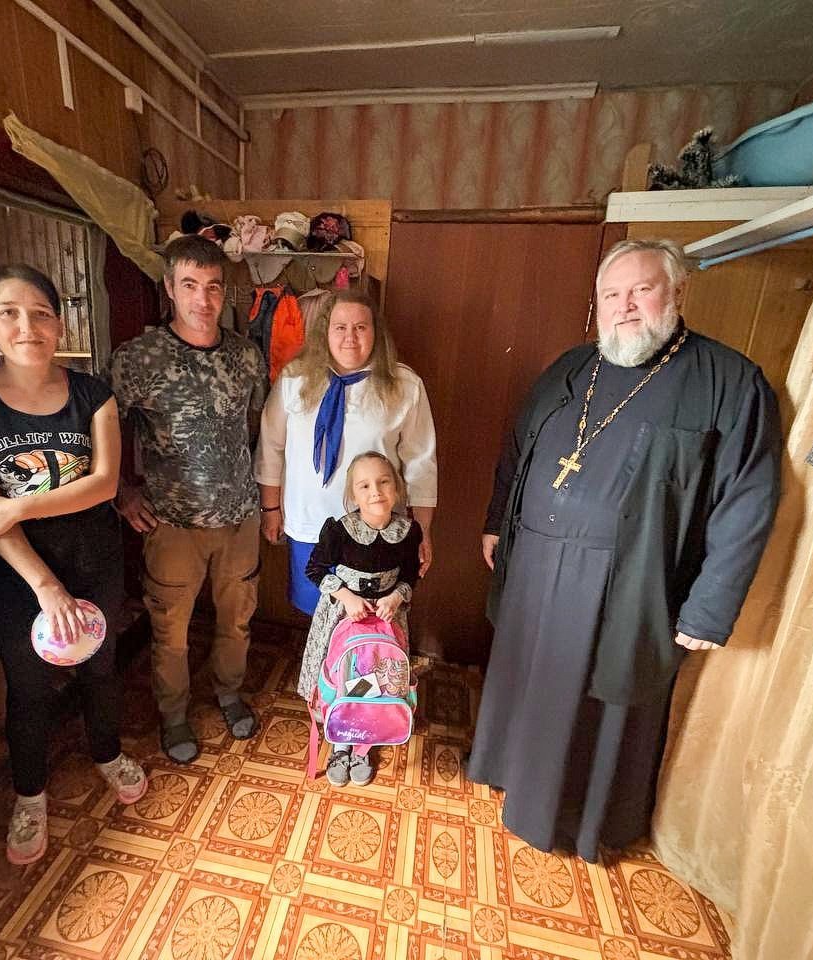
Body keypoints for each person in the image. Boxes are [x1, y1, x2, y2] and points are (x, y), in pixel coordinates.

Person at [469, 238, 781, 863]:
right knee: (530, 682)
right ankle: (513, 778)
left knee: (601, 703)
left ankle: (580, 821)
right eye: (611, 295)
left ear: (677, 292)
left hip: (630, 584)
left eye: (641, 290)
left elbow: (748, 499)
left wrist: (709, 607)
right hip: (535, 565)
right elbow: (518, 451)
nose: (625, 306)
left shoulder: (728, 381)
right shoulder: (569, 369)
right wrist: (498, 522)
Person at [0, 264, 147, 866]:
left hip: (94, 557)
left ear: (59, 325)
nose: (26, 326)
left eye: (41, 314)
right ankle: (30, 796)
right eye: (9, 312)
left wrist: (20, 505)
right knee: (28, 687)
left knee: (100, 669)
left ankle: (107, 752)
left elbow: (103, 483)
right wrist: (45, 585)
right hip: (16, 573)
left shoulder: (92, 394)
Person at [107, 235, 267, 765]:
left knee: (237, 619)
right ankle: (173, 714)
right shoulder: (137, 359)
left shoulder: (247, 356)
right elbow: (99, 429)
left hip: (239, 516)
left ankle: (228, 692)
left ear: (225, 292)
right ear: (170, 288)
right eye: (190, 285)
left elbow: (257, 430)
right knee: (169, 630)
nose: (203, 299)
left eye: (213, 286)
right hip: (171, 521)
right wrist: (121, 491)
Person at [255, 289, 437, 616]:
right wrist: (270, 508)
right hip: (310, 522)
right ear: (324, 332)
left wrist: (422, 531)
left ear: (376, 333)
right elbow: (271, 444)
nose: (350, 337)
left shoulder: (404, 385)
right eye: (340, 327)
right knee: (317, 614)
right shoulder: (295, 378)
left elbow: (421, 463)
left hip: (376, 531)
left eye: (360, 327)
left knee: (368, 619)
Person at [302, 451, 423, 787]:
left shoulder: (409, 531)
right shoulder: (340, 530)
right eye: (365, 486)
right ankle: (340, 740)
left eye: (384, 482)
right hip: (344, 617)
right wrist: (346, 596)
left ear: (397, 488)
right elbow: (314, 569)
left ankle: (365, 740)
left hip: (387, 620)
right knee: (345, 674)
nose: (376, 492)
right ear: (353, 494)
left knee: (376, 677)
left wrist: (396, 596)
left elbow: (411, 575)